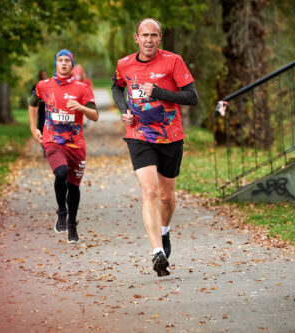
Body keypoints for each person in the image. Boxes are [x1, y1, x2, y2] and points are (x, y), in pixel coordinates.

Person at [111, 18, 198, 277]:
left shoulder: (173, 61)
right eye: (144, 35)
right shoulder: (124, 64)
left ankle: (164, 230)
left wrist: (160, 92)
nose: (149, 40)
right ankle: (157, 252)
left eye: (154, 35)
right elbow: (117, 87)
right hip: (138, 135)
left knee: (166, 197)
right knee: (149, 191)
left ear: (160, 38)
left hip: (170, 137)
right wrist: (124, 110)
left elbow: (191, 97)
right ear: (136, 38)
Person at [29, 49, 99, 243]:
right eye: (60, 60)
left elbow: (95, 115)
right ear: (56, 64)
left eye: (67, 60)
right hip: (52, 140)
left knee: (74, 186)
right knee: (60, 173)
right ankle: (61, 211)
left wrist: (82, 108)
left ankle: (72, 225)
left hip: (76, 144)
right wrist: (33, 128)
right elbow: (32, 101)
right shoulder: (44, 85)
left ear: (71, 65)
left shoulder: (82, 88)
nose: (63, 63)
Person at [31, 70, 48, 156]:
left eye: (45, 75)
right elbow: (33, 102)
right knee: (41, 131)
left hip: (50, 113)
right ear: (39, 76)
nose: (44, 76)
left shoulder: (51, 86)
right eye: (42, 75)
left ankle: (50, 149)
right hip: (41, 113)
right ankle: (44, 148)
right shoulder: (36, 87)